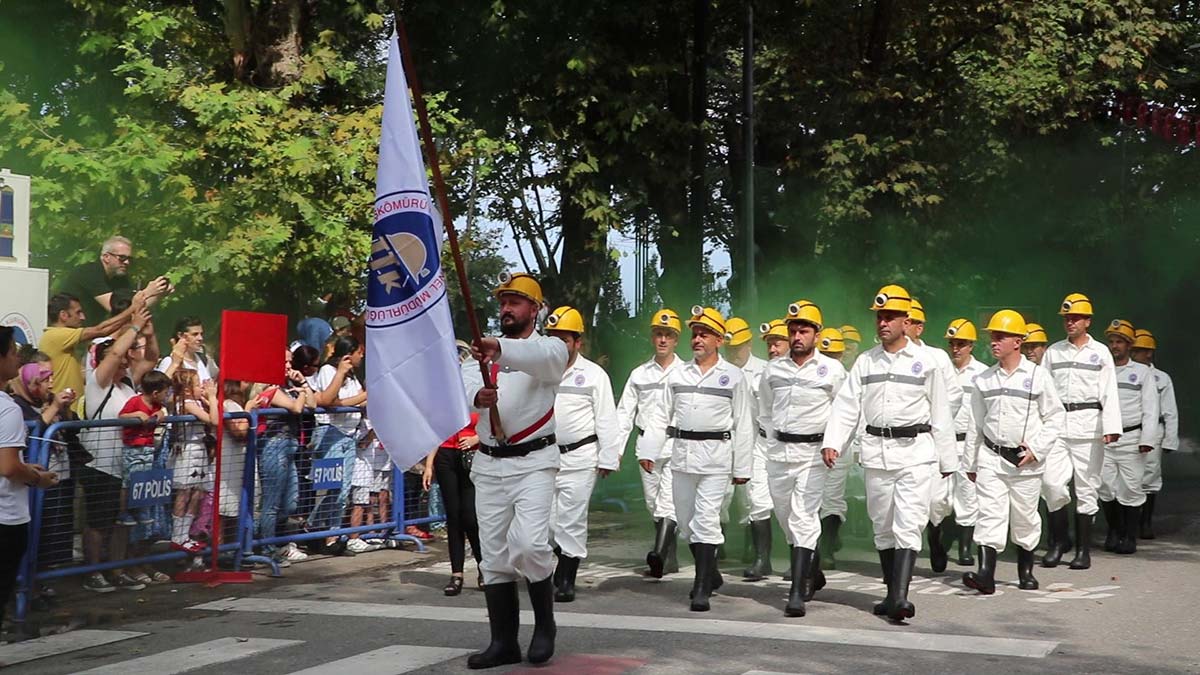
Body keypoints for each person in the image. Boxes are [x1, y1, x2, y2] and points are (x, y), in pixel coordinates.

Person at [821, 284, 955, 623]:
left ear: (905, 320)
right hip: (877, 452)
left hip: (916, 452)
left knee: (908, 523)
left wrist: (948, 460)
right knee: (882, 525)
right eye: (880, 317)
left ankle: (900, 597)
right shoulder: (866, 362)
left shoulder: (928, 361)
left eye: (890, 317)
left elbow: (940, 413)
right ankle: (889, 591)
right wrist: (833, 440)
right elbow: (847, 406)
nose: (883, 323)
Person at [461, 272, 567, 669]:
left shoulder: (550, 348)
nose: (507, 308)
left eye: (516, 302)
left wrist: (497, 350)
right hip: (490, 463)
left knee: (529, 545)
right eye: (504, 301)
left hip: (534, 463)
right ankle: (503, 642)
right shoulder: (482, 354)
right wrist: (477, 394)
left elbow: (542, 363)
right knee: (494, 557)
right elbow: (464, 383)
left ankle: (545, 626)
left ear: (536, 310)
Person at [645, 306, 753, 612]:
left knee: (706, 520)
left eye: (704, 334)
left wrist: (742, 466)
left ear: (719, 340)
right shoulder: (678, 373)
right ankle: (712, 571)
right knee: (686, 522)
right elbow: (659, 415)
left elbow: (744, 423)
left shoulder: (733, 377)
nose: (697, 339)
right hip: (681, 456)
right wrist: (649, 450)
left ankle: (701, 586)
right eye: (695, 334)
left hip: (716, 459)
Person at [962, 310, 1063, 594]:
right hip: (991, 456)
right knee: (989, 515)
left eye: (1000, 336)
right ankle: (986, 575)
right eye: (992, 337)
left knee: (1025, 518)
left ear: (1017, 341)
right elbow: (975, 423)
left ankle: (1025, 571)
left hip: (1025, 462)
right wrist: (970, 462)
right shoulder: (983, 379)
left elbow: (1055, 417)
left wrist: (1038, 449)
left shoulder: (1038, 376)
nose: (994, 342)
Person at [758, 300, 845, 617]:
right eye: (793, 330)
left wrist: (833, 443)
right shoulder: (773, 369)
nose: (797, 336)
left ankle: (795, 591)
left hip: (812, 454)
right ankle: (814, 568)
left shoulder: (832, 370)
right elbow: (764, 410)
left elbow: (843, 411)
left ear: (816, 333)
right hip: (779, 453)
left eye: (803, 330)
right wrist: (770, 437)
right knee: (786, 519)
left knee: (803, 517)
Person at [543, 306, 621, 603]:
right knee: (547, 521)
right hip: (545, 456)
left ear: (578, 342)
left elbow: (606, 417)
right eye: (554, 338)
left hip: (580, 457)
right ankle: (555, 566)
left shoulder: (593, 375)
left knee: (571, 520)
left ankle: (566, 578)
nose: (560, 344)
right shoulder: (540, 371)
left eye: (565, 339)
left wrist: (608, 457)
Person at [1040, 293, 1122, 570]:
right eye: (1066, 318)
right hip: (1057, 425)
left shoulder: (1100, 352)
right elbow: (1042, 390)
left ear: (1087, 321)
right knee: (1051, 484)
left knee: (1087, 488)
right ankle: (1059, 542)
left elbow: (1109, 390)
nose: (1070, 322)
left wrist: (1111, 426)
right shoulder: (1053, 352)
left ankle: (1083, 551)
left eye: (1075, 318)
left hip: (1089, 425)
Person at [77, 307, 156, 592]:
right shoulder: (97, 383)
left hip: (125, 465)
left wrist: (148, 328)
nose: (123, 360)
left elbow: (152, 359)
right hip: (100, 464)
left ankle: (117, 568)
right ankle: (94, 571)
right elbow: (112, 355)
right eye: (119, 356)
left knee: (121, 521)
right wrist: (132, 326)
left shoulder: (126, 385)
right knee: (98, 521)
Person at [614, 309, 683, 579]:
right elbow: (624, 414)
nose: (663, 340)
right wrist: (615, 450)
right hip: (646, 445)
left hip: (674, 443)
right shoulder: (639, 374)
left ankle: (658, 554)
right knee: (653, 503)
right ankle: (670, 556)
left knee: (668, 501)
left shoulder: (686, 373)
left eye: (668, 335)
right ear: (652, 338)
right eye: (658, 334)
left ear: (676, 340)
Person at [0, 326, 59, 631]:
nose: (16, 358)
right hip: (6, 518)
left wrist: (26, 466)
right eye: (12, 351)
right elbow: (8, 467)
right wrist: (37, 479)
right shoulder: (8, 410)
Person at [904, 299, 964, 575]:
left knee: (937, 501)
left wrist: (932, 420)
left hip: (929, 436)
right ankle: (900, 563)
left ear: (919, 326)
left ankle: (936, 536)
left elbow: (954, 395)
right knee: (906, 504)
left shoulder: (937, 357)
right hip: (900, 443)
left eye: (909, 322)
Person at [1097, 319, 1158, 555]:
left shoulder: (1142, 373)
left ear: (1129, 345)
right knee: (1104, 485)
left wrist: (1147, 440)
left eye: (1119, 342)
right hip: (1105, 439)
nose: (1114, 346)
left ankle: (1129, 536)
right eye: (1111, 341)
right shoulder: (1102, 370)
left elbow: (1151, 409)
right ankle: (1115, 529)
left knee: (1131, 488)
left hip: (1132, 437)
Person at [722, 316, 775, 581]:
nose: (734, 352)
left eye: (738, 346)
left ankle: (759, 555)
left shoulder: (765, 370)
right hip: (723, 440)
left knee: (754, 499)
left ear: (749, 343)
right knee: (728, 498)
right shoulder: (720, 370)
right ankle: (756, 556)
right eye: (729, 347)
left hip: (760, 442)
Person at [253, 348, 316, 565]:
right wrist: (301, 394)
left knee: (290, 503)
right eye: (285, 362)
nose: (289, 366)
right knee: (271, 503)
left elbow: (313, 405)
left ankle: (264, 538)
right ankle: (267, 547)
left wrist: (304, 385)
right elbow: (297, 408)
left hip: (289, 447)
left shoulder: (290, 386)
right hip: (273, 446)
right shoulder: (271, 388)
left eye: (290, 362)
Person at [41, 291, 153, 412]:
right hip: (61, 413)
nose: (83, 317)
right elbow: (101, 330)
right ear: (63, 315)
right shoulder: (55, 335)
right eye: (78, 313)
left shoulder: (63, 339)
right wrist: (133, 311)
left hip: (71, 413)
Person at [943, 318, 988, 566]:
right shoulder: (941, 371)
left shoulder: (981, 374)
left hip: (969, 441)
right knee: (941, 498)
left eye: (961, 344)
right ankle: (941, 541)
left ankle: (964, 548)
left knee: (968, 496)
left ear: (971, 345)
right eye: (952, 344)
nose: (956, 349)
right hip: (946, 441)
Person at [424, 411, 483, 595]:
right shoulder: (444, 397)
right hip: (445, 455)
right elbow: (436, 432)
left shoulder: (477, 394)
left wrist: (476, 438)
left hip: (471, 455)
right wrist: (428, 465)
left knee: (471, 517)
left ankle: (485, 568)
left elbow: (496, 427)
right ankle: (456, 574)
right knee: (454, 517)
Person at [1130, 329, 1178, 539]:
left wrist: (1170, 439)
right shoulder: (1122, 373)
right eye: (1133, 350)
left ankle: (1145, 523)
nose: (1134, 354)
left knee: (1150, 476)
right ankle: (1125, 523)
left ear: (1149, 352)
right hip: (1129, 428)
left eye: (1139, 350)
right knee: (1127, 477)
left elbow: (1170, 411)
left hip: (1154, 431)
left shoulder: (1161, 378)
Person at [168, 370, 219, 553]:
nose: (201, 388)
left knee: (197, 492)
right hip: (188, 450)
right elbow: (214, 420)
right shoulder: (187, 403)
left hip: (200, 451)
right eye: (198, 385)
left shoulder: (197, 401)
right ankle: (177, 535)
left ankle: (185, 535)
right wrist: (212, 398)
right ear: (188, 390)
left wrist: (208, 399)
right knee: (185, 492)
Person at [814, 326, 852, 571]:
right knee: (813, 500)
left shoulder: (848, 379)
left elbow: (852, 415)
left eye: (835, 354)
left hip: (839, 447)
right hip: (811, 446)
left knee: (831, 499)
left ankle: (826, 548)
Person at [115, 370, 171, 527]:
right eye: (165, 392)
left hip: (148, 448)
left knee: (144, 480)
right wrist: (137, 415)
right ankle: (124, 511)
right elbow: (121, 416)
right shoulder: (135, 402)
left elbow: (163, 411)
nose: (166, 396)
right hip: (134, 448)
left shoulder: (157, 405)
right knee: (129, 481)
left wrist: (161, 412)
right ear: (155, 393)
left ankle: (140, 510)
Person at [158, 317, 214, 383]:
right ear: (180, 335)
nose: (200, 338)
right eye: (195, 334)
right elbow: (161, 387)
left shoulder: (203, 359)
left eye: (201, 334)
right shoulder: (169, 361)